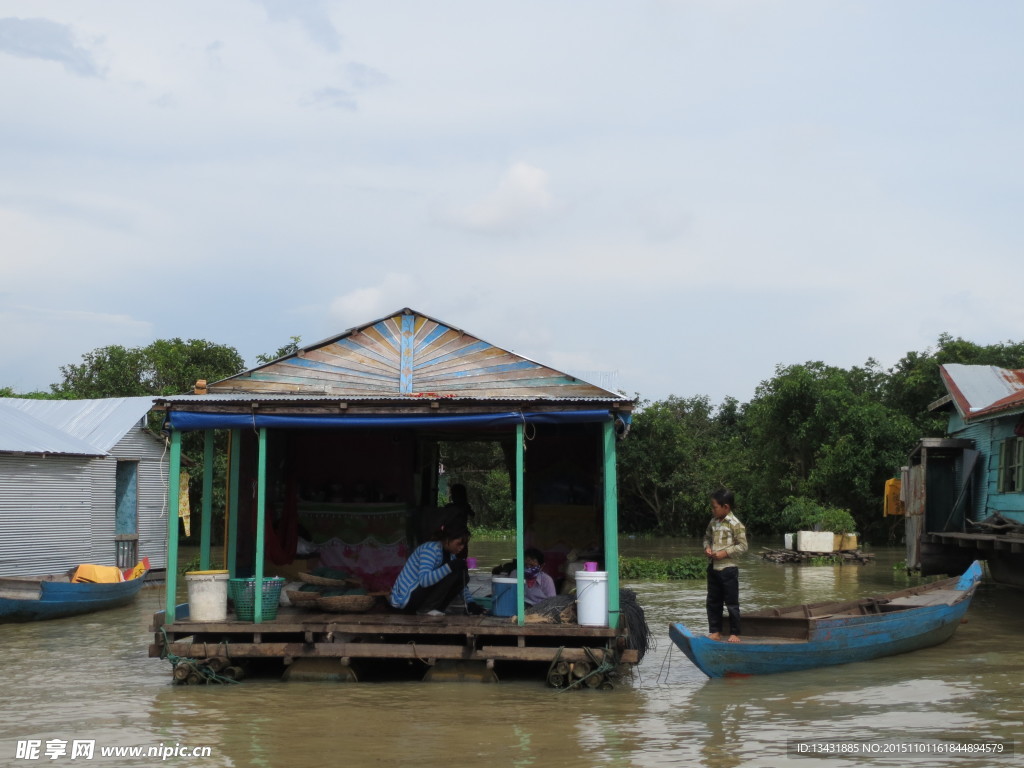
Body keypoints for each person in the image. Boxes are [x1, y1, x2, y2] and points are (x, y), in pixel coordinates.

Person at [388, 526, 485, 616]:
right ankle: (425, 610)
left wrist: (470, 602)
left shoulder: (451, 555)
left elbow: (460, 582)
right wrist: (450, 567)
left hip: (418, 596)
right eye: (459, 543)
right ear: (448, 540)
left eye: (464, 544)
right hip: (405, 599)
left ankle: (435, 609)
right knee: (454, 571)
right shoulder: (430, 549)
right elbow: (424, 581)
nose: (462, 547)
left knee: (462, 574)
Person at [703, 487, 747, 643]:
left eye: (715, 507)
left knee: (731, 603)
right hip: (713, 567)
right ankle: (715, 631)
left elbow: (743, 546)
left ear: (726, 507)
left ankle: (735, 633)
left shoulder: (735, 524)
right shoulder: (713, 522)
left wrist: (724, 553)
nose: (713, 510)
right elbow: (706, 538)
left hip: (729, 569)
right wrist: (707, 548)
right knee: (713, 601)